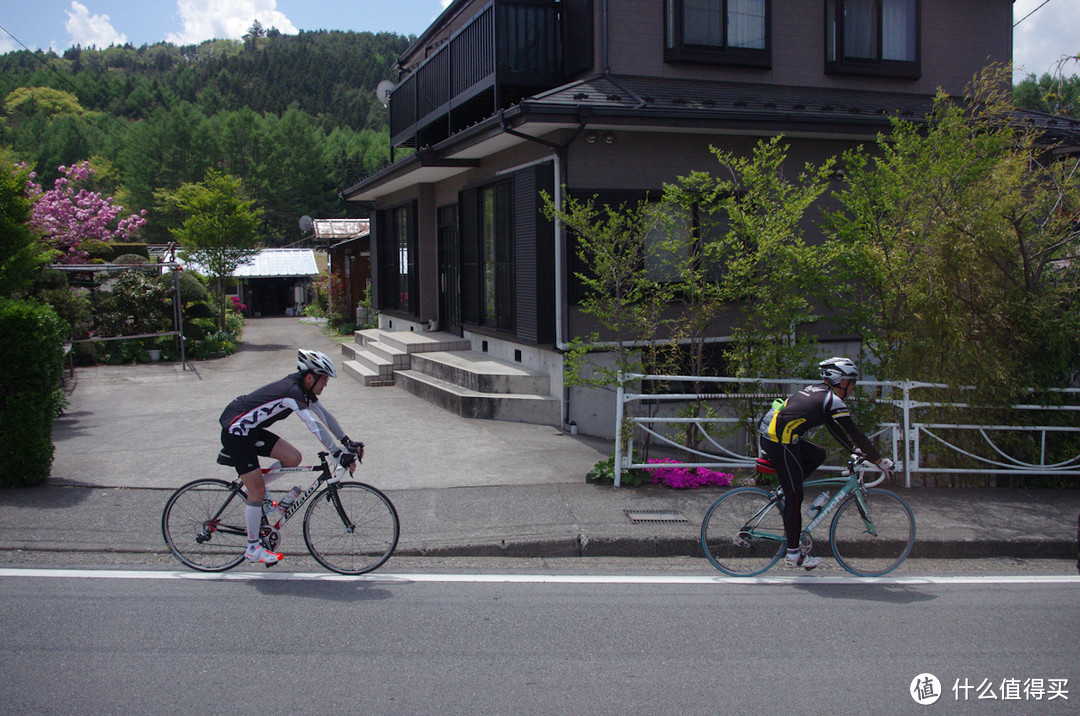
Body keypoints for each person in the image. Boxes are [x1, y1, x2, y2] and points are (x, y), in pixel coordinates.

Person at [218, 349, 363, 564]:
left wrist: (346, 441)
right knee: (258, 490)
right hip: (237, 432)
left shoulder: (303, 390)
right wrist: (335, 453)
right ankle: (252, 548)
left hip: (251, 429)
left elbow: (324, 416)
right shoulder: (292, 392)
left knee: (293, 458)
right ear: (310, 377)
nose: (325, 384)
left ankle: (254, 489)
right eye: (323, 379)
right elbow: (313, 425)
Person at [758, 357, 894, 570]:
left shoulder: (819, 391)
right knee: (796, 496)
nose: (853, 387)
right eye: (852, 382)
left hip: (776, 436)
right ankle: (793, 555)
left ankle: (788, 487)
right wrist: (879, 460)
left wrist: (852, 450)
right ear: (842, 382)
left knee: (819, 454)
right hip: (780, 441)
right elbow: (855, 432)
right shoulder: (833, 400)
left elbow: (832, 425)